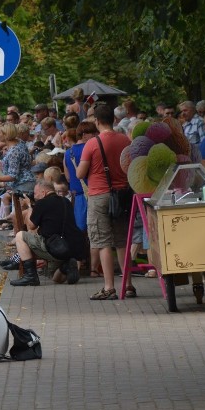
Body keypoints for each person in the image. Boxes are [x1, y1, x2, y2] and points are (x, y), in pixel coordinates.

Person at [76, 103, 132, 300]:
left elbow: (80, 173)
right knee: (122, 240)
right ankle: (128, 284)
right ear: (114, 119)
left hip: (99, 195)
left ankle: (109, 286)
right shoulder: (125, 140)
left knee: (103, 241)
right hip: (122, 196)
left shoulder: (92, 144)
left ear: (97, 121)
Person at [9, 179, 85, 286]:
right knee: (56, 279)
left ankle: (30, 276)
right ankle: (67, 266)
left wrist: (30, 206)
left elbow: (31, 225)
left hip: (54, 246)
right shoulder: (65, 201)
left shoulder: (42, 203)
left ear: (43, 192)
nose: (34, 196)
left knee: (20, 236)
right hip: (71, 246)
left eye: (35, 193)